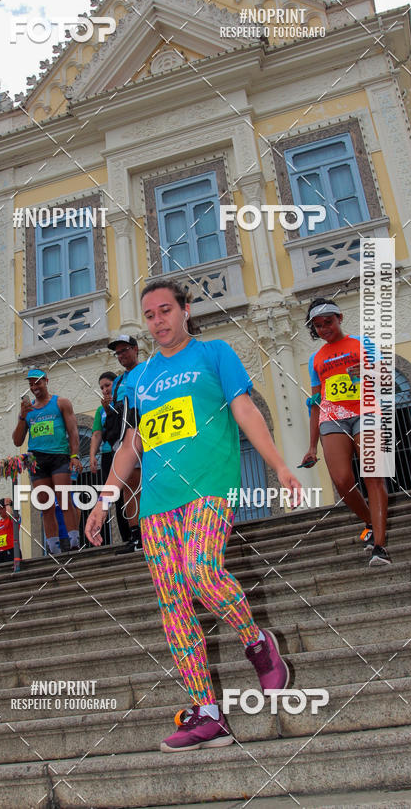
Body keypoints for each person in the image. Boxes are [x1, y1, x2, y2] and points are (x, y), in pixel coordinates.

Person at [85, 279, 302, 752]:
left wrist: (279, 465)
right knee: (173, 603)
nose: (158, 320)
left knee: (202, 572)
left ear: (185, 310)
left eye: (166, 310)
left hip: (209, 485)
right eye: (150, 314)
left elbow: (244, 409)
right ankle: (206, 712)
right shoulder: (138, 379)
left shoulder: (215, 353)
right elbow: (131, 445)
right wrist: (105, 500)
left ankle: (257, 642)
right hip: (158, 503)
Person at [300, 298, 390, 567]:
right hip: (332, 417)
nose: (324, 328)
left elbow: (385, 375)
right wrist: (311, 446)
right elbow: (316, 403)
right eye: (318, 326)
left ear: (339, 317)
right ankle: (369, 520)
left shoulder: (363, 343)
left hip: (366, 411)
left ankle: (379, 546)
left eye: (328, 322)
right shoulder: (316, 359)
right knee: (341, 480)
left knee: (373, 475)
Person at [12, 368, 82, 555]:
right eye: (31, 384)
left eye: (38, 382)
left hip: (59, 456)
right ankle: (53, 547)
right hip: (37, 459)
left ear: (46, 381)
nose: (34, 386)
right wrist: (21, 417)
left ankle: (74, 541)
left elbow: (73, 432)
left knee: (64, 499)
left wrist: (74, 456)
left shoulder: (61, 403)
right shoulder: (28, 411)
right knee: (45, 504)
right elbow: (17, 440)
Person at [106, 336, 143, 553]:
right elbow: (118, 413)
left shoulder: (148, 370)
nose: (121, 356)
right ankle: (136, 535)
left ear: (136, 349)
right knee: (129, 485)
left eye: (125, 350)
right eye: (118, 353)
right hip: (127, 437)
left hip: (150, 433)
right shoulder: (118, 382)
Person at [89, 371, 129, 544]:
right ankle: (126, 537)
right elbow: (97, 433)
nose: (105, 390)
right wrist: (92, 455)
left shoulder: (125, 401)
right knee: (116, 495)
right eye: (102, 387)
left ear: (116, 384)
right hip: (108, 454)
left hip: (126, 451)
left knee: (131, 491)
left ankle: (139, 532)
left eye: (108, 385)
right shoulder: (100, 410)